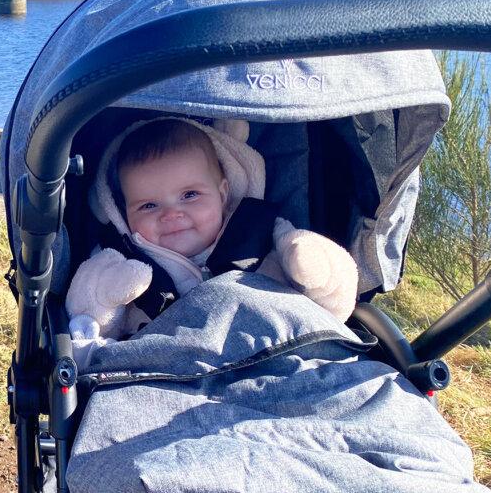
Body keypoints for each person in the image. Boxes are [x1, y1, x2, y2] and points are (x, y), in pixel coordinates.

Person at [65, 117, 360, 357]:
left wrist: (315, 268)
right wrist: (106, 297)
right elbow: (86, 329)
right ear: (122, 211)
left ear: (223, 193)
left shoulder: (261, 230)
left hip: (273, 352)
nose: (171, 214)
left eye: (190, 195)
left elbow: (330, 306)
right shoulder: (120, 259)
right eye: (149, 205)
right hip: (166, 373)